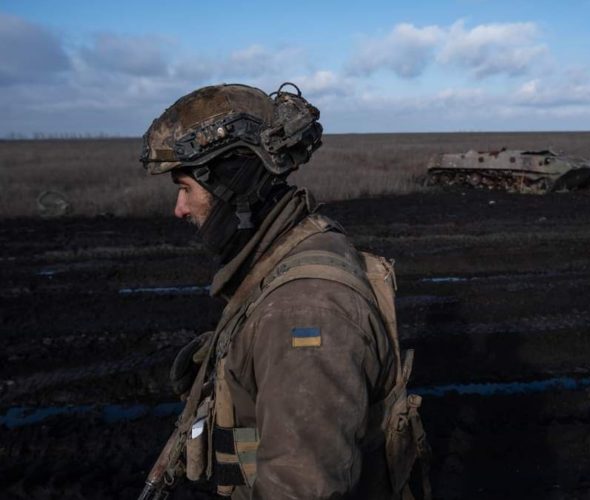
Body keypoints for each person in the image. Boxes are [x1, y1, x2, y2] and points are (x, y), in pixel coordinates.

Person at [139, 83, 430, 500]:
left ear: (229, 186)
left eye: (185, 188)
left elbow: (301, 488)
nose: (179, 209)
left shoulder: (304, 311)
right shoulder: (294, 245)